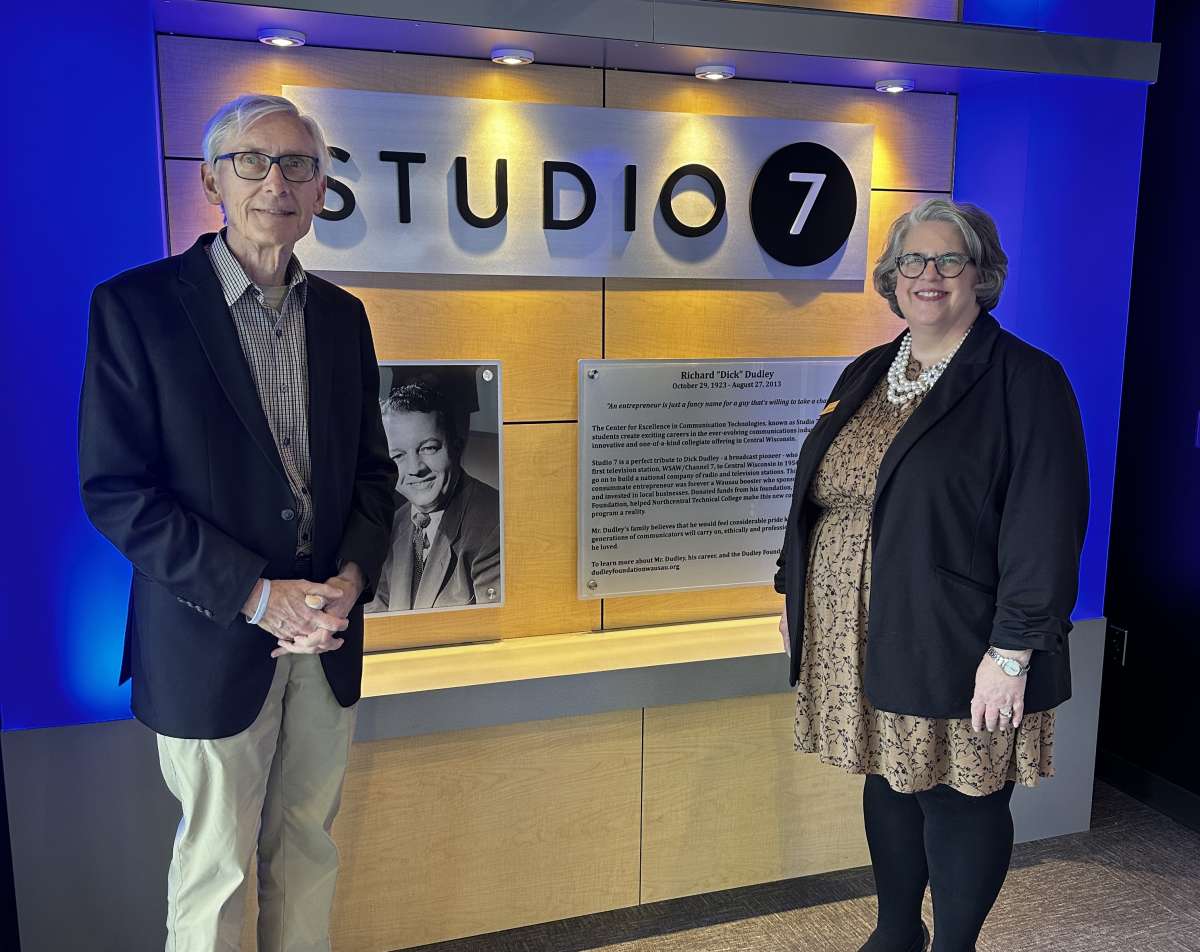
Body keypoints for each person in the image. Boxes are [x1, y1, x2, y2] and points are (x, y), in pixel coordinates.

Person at [78, 94, 397, 951]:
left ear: (322, 189)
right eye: (253, 161)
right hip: (208, 638)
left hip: (324, 645)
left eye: (299, 165)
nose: (276, 182)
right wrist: (257, 595)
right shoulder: (137, 308)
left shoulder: (342, 318)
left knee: (307, 847)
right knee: (215, 868)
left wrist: (348, 583)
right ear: (214, 180)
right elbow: (117, 491)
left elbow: (375, 474)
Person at [774, 198, 1088, 952]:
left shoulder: (1024, 380)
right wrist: (794, 589)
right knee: (889, 779)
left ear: (982, 276)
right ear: (891, 277)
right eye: (913, 261)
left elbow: (1046, 525)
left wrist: (1012, 652)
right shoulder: (871, 370)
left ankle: (953, 947)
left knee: (961, 797)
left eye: (951, 260)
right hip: (863, 635)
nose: (929, 275)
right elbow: (822, 492)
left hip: (963, 639)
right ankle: (894, 932)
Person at [368, 380, 501, 613]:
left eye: (428, 448)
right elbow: (377, 615)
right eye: (397, 456)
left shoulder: (495, 525)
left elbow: (492, 633)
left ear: (457, 446)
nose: (414, 468)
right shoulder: (391, 525)